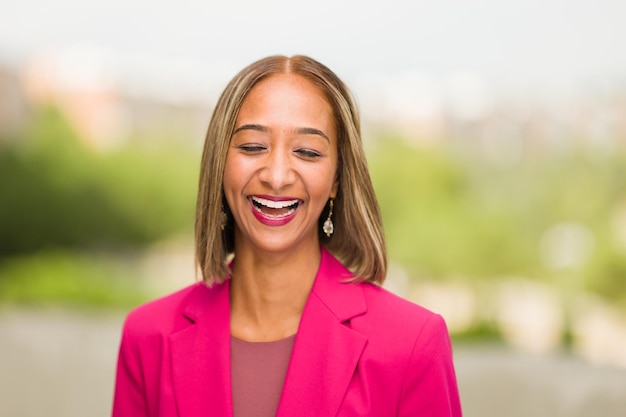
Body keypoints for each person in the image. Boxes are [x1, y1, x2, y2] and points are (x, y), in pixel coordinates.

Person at [112, 54, 462, 417]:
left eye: (307, 152)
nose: (277, 176)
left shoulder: (412, 343)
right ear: (220, 163)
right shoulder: (148, 338)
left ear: (337, 180)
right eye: (252, 147)